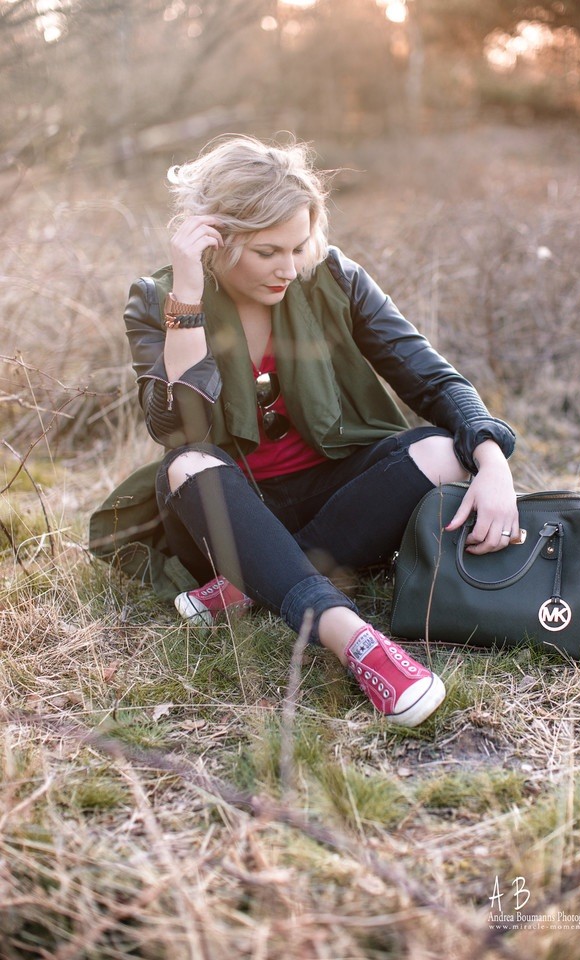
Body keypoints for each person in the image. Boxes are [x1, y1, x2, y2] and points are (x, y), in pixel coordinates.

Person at [119, 134, 518, 728]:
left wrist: (493, 461)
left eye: (298, 245)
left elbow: (430, 379)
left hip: (335, 490)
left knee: (443, 452)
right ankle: (353, 639)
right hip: (227, 508)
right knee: (189, 465)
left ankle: (256, 583)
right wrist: (187, 297)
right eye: (265, 251)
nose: (287, 267)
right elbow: (179, 427)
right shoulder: (159, 300)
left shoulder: (333, 278)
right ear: (217, 241)